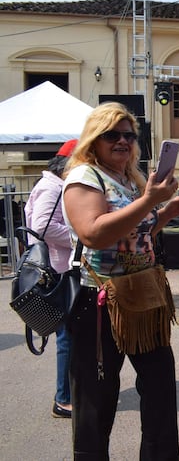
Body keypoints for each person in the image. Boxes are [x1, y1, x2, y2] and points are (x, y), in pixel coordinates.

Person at [63, 102, 179, 459]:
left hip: (144, 297)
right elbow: (93, 234)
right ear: (94, 139)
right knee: (96, 401)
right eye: (112, 135)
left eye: (128, 135)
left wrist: (165, 211)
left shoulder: (130, 178)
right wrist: (150, 198)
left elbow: (138, 232)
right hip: (102, 302)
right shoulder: (84, 177)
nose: (122, 141)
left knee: (160, 391)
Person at [24, 138, 77, 419]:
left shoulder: (53, 186)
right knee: (66, 336)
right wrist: (80, 236)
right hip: (57, 269)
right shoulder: (52, 187)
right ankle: (63, 398)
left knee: (68, 335)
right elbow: (41, 228)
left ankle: (68, 394)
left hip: (58, 266)